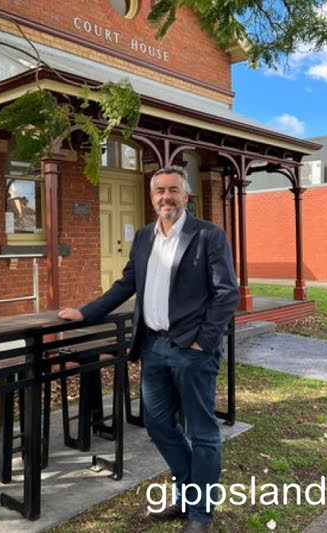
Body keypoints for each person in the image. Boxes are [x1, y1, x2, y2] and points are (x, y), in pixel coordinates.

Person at [59, 166, 239, 532]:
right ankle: (190, 494)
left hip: (192, 350)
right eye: (159, 190)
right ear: (152, 196)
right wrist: (86, 312)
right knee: (158, 426)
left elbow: (226, 293)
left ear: (185, 196)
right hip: (153, 347)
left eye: (173, 190)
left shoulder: (208, 235)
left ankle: (200, 515)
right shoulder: (144, 237)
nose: (166, 197)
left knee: (202, 432)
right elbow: (126, 284)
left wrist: (203, 340)